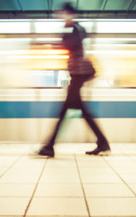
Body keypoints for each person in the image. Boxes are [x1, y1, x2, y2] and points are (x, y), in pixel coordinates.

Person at [38, 2, 110, 157]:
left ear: (70, 13)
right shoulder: (74, 29)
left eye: (63, 13)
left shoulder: (74, 29)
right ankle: (103, 143)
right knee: (81, 111)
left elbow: (73, 44)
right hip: (77, 75)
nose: (61, 16)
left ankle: (49, 146)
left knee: (64, 111)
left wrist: (58, 44)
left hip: (79, 74)